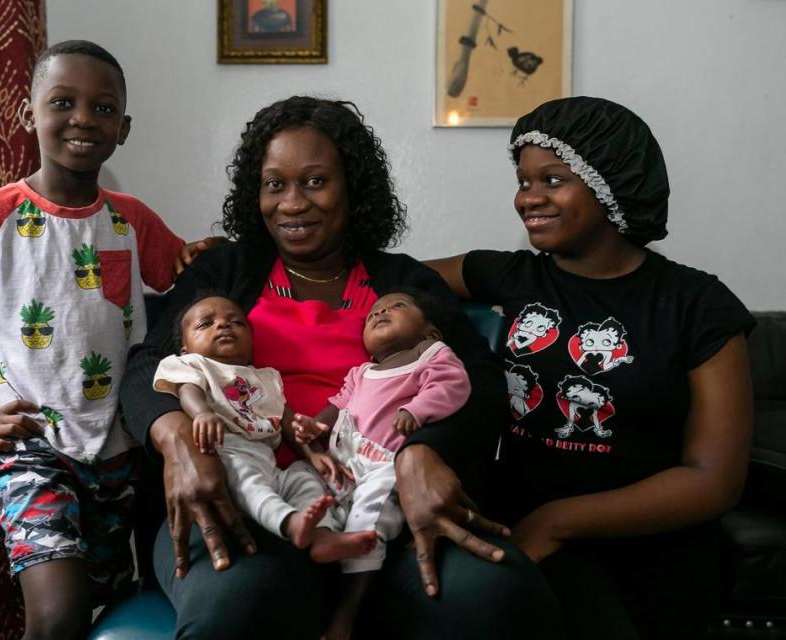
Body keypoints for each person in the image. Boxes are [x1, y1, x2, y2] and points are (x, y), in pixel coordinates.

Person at [120, 95, 561, 639]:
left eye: (314, 181)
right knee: (241, 602)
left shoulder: (404, 284)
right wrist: (178, 440)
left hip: (382, 501)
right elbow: (148, 366)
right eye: (274, 184)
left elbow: (482, 383)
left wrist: (424, 452)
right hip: (243, 492)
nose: (292, 203)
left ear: (352, 186)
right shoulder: (225, 269)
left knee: (497, 594)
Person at [0, 40, 210, 640]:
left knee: (100, 604)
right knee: (55, 617)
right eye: (63, 101)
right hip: (32, 448)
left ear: (124, 128)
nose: (84, 117)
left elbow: (189, 290)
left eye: (103, 107)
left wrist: (209, 258)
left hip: (120, 452)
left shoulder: (133, 219)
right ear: (28, 114)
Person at [426, 96, 755, 638]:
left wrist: (558, 522)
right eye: (523, 180)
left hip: (652, 543)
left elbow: (713, 479)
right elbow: (383, 279)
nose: (528, 198)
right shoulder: (510, 276)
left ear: (611, 184)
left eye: (552, 180)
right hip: (521, 524)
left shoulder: (697, 304)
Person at [292, 289, 472, 639]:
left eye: (397, 306)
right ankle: (324, 536)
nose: (382, 311)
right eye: (374, 311)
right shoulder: (362, 371)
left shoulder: (429, 353)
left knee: (368, 516)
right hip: (344, 458)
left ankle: (350, 605)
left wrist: (417, 409)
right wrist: (315, 426)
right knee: (301, 476)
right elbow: (339, 405)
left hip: (384, 465)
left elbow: (453, 385)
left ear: (430, 331)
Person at [153, 294, 378, 560]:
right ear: (185, 348)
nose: (224, 326)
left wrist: (313, 453)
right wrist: (201, 413)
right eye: (206, 324)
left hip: (268, 461)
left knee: (303, 479)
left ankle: (322, 535)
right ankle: (290, 523)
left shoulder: (266, 377)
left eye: (236, 322)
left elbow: (285, 419)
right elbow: (188, 389)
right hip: (227, 454)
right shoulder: (192, 364)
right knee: (248, 481)